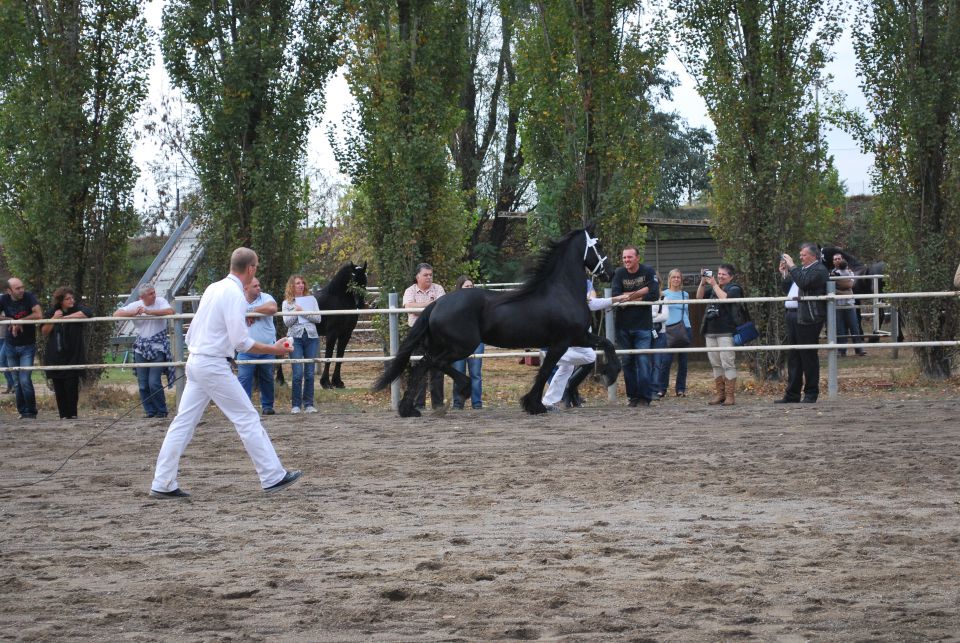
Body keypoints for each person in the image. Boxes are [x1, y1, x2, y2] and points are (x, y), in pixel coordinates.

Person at [150, 247, 300, 499]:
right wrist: (274, 349)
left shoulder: (213, 288)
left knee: (183, 423)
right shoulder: (234, 294)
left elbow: (193, 331)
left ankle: (163, 482)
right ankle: (272, 476)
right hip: (212, 365)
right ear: (250, 269)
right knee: (247, 418)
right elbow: (241, 342)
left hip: (198, 361)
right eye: (256, 268)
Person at [541, 283, 642, 410]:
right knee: (590, 356)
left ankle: (548, 402)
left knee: (566, 368)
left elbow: (594, 302)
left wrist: (617, 298)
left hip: (577, 336)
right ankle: (552, 357)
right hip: (575, 336)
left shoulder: (580, 292)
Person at [776, 243, 829, 404]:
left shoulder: (819, 270)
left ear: (813, 256)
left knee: (808, 356)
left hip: (808, 317)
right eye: (800, 255)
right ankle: (792, 394)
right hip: (793, 316)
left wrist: (792, 266)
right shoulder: (802, 270)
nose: (800, 257)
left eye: (803, 255)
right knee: (794, 356)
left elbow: (804, 283)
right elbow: (789, 289)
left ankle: (811, 393)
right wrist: (785, 273)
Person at [115, 284, 174, 419]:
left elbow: (170, 312)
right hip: (141, 348)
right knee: (143, 384)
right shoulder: (136, 305)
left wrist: (148, 312)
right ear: (142, 297)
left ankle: (161, 410)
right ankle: (150, 411)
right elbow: (116, 313)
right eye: (151, 294)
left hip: (158, 347)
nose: (154, 295)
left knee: (154, 382)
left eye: (154, 292)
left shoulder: (161, 302)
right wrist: (133, 313)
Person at [611, 246, 659, 407]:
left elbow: (653, 294)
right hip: (623, 326)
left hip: (643, 326)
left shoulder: (648, 271)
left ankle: (645, 397)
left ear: (638, 258)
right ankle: (632, 397)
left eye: (630, 257)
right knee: (627, 362)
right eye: (624, 258)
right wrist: (641, 292)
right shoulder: (619, 273)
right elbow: (617, 297)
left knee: (644, 360)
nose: (626, 260)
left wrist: (629, 298)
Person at [41, 287, 92, 419]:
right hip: (55, 355)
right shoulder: (52, 312)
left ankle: (73, 414)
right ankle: (63, 415)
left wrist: (66, 318)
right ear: (60, 301)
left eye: (72, 298)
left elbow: (87, 313)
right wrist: (54, 319)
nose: (71, 301)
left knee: (72, 386)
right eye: (68, 299)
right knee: (59, 387)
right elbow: (44, 331)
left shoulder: (77, 308)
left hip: (73, 355)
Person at [697, 264, 744, 406]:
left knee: (727, 363)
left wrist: (715, 285)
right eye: (719, 274)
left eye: (723, 274)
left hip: (726, 331)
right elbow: (699, 297)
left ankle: (730, 396)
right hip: (710, 331)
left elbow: (726, 298)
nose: (720, 276)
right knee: (715, 364)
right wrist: (703, 281)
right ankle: (720, 394)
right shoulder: (713, 288)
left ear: (731, 276)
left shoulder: (735, 288)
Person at [403, 263, 446, 409]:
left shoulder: (438, 288)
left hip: (435, 333)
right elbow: (409, 308)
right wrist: (429, 304)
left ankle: (438, 404)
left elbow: (440, 308)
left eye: (430, 275)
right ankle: (418, 404)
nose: (429, 277)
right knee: (418, 368)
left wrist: (420, 307)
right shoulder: (410, 290)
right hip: (417, 334)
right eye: (425, 275)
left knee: (438, 368)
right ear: (417, 277)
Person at [0, 277, 42, 419]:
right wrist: (12, 321)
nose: (22, 290)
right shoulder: (4, 300)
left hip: (27, 345)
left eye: (22, 287)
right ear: (8, 291)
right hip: (10, 345)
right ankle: (23, 412)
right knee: (17, 382)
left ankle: (31, 412)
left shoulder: (29, 297)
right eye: (18, 288)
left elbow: (38, 314)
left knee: (25, 380)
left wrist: (20, 321)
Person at [237, 278, 278, 415]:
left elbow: (272, 308)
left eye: (259, 285)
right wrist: (248, 313)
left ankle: (267, 406)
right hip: (246, 348)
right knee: (244, 378)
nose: (259, 288)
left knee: (267, 377)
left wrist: (251, 311)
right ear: (246, 288)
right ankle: (244, 408)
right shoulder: (238, 300)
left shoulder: (266, 297)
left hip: (267, 346)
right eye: (255, 286)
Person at [282, 274, 321, 414]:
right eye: (298, 283)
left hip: (311, 337)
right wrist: (295, 311)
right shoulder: (286, 303)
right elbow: (287, 322)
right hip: (295, 338)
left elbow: (318, 318)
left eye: (302, 283)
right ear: (292, 285)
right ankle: (296, 405)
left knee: (310, 373)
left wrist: (303, 312)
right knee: (297, 373)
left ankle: (309, 404)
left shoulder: (312, 300)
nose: (301, 285)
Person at [656, 269, 692, 397]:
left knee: (683, 361)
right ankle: (661, 388)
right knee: (665, 361)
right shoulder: (663, 294)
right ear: (669, 279)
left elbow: (687, 312)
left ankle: (680, 389)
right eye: (674, 277)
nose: (676, 279)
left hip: (684, 329)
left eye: (678, 277)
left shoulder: (685, 294)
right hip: (669, 330)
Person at [451, 275, 483, 410]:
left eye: (471, 286)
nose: (469, 289)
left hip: (476, 341)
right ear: (460, 288)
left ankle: (477, 403)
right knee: (458, 372)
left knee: (476, 373)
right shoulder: (452, 303)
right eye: (466, 287)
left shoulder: (480, 303)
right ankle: (458, 403)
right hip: (458, 342)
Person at [831, 253, 866, 356]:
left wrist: (838, 287)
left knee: (854, 326)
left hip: (849, 303)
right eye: (835, 259)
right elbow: (844, 286)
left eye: (839, 258)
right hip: (837, 305)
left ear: (842, 260)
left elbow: (850, 284)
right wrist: (845, 289)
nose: (837, 260)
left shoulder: (850, 272)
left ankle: (859, 349)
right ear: (833, 262)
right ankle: (842, 350)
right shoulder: (831, 273)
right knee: (840, 328)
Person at [650, 280, 670, 399]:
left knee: (657, 363)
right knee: (644, 362)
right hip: (646, 333)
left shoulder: (663, 298)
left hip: (659, 333)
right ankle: (644, 388)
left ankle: (655, 389)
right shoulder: (645, 297)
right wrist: (656, 315)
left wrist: (651, 318)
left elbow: (665, 316)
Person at [0, 280, 14, 395]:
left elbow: (10, 316)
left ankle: (13, 384)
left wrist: (7, 319)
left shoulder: (3, 299)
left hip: (5, 336)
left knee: (3, 360)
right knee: (2, 362)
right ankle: (11, 384)